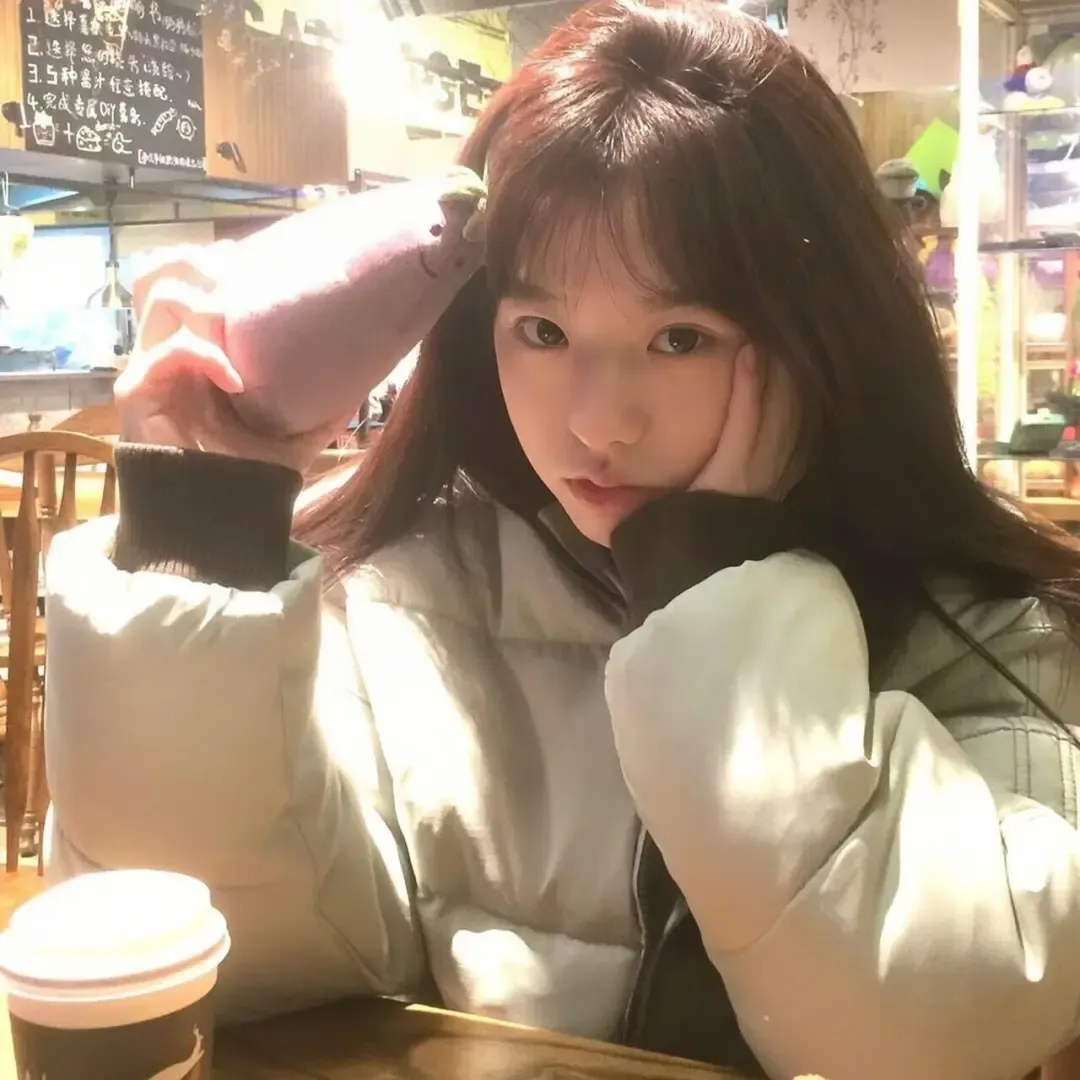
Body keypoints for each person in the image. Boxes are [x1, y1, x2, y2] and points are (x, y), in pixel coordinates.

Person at [43, 3, 1080, 1079]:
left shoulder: (983, 628)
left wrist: (716, 590)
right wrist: (197, 547)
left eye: (680, 338)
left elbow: (931, 1031)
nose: (596, 423)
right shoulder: (407, 592)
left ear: (822, 335)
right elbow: (242, 955)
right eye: (541, 330)